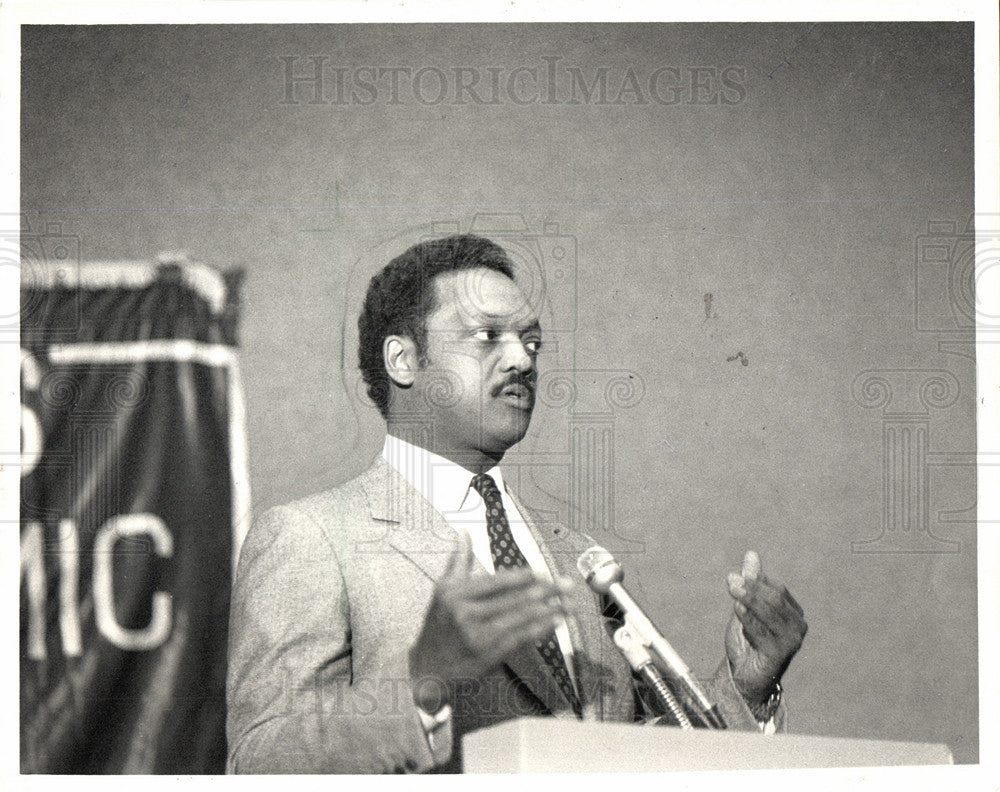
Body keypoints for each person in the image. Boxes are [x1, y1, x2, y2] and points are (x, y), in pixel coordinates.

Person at [225, 234, 808, 773]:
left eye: (531, 342)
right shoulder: (309, 536)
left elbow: (638, 756)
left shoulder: (578, 559)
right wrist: (425, 679)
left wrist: (746, 687)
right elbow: (259, 759)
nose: (523, 360)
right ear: (403, 360)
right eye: (487, 338)